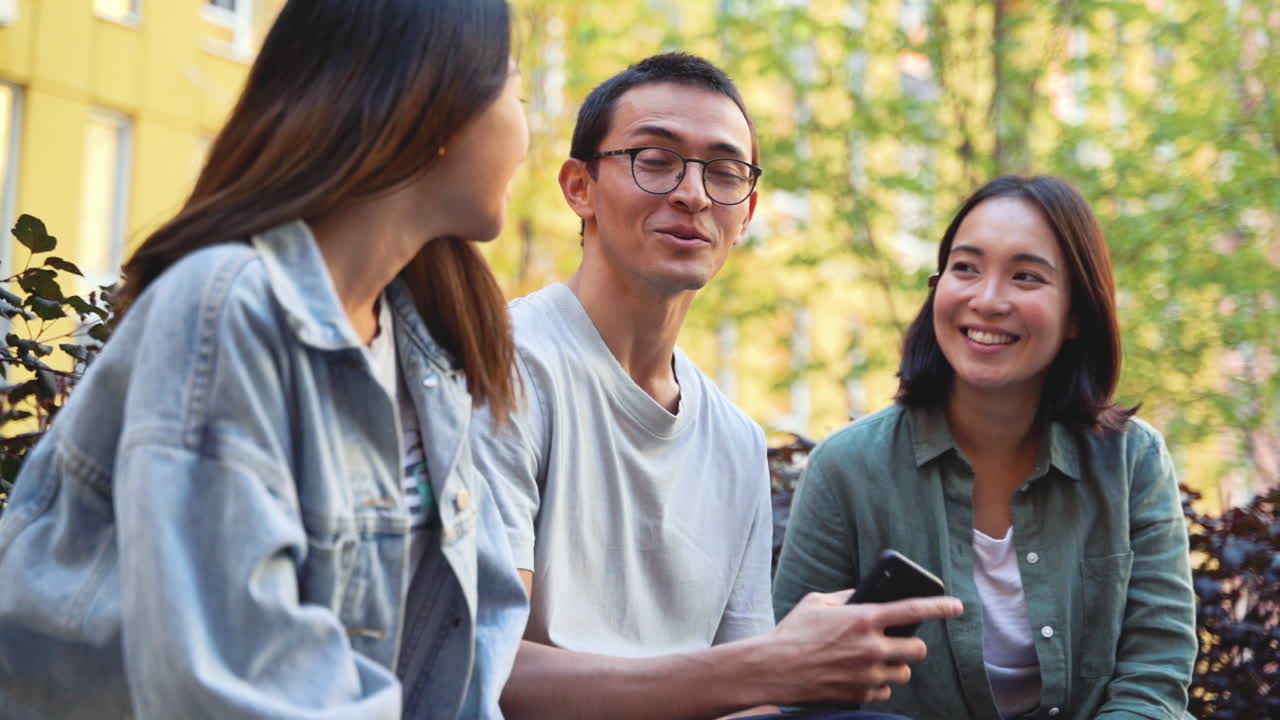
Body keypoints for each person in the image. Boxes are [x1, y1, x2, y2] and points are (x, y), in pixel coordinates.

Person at [0, 1, 529, 717]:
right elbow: (229, 685)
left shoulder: (427, 354)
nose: (526, 138)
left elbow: (462, 657)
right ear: (438, 106)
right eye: (515, 90)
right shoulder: (224, 309)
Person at [470, 52, 962, 720]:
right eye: (655, 160)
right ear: (579, 187)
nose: (694, 194)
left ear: (747, 213)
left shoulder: (735, 438)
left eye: (724, 173)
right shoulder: (505, 365)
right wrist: (766, 667)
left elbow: (747, 699)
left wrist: (781, 674)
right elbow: (484, 665)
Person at [773, 175, 1198, 720]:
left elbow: (1154, 679)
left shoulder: (1133, 462)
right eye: (966, 268)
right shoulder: (846, 467)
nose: (988, 300)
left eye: (1026, 276)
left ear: (1077, 313)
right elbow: (800, 691)